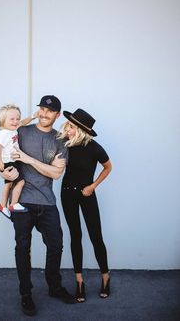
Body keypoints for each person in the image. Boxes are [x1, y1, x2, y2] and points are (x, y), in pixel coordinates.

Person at [0, 95, 75, 316]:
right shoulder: (22, 132)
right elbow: (4, 149)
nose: (44, 114)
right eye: (41, 109)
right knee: (22, 248)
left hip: (47, 201)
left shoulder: (59, 140)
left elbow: (56, 172)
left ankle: (54, 287)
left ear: (57, 115)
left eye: (49, 111)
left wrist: (28, 159)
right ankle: (26, 294)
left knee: (56, 245)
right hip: (22, 202)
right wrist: (3, 170)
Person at [57, 108, 112, 302]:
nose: (67, 128)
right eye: (68, 125)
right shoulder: (64, 143)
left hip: (86, 194)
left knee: (96, 236)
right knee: (75, 236)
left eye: (71, 126)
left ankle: (105, 277)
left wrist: (93, 186)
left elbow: (108, 167)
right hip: (67, 194)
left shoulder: (94, 147)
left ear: (81, 129)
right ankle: (79, 281)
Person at [0, 104, 37, 219]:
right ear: (3, 120)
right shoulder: (3, 133)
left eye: (17, 118)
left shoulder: (13, 129)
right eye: (12, 119)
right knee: (20, 182)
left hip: (13, 160)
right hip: (8, 162)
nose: (16, 121)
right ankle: (13, 204)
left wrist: (33, 116)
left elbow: (23, 122)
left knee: (9, 184)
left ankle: (3, 205)